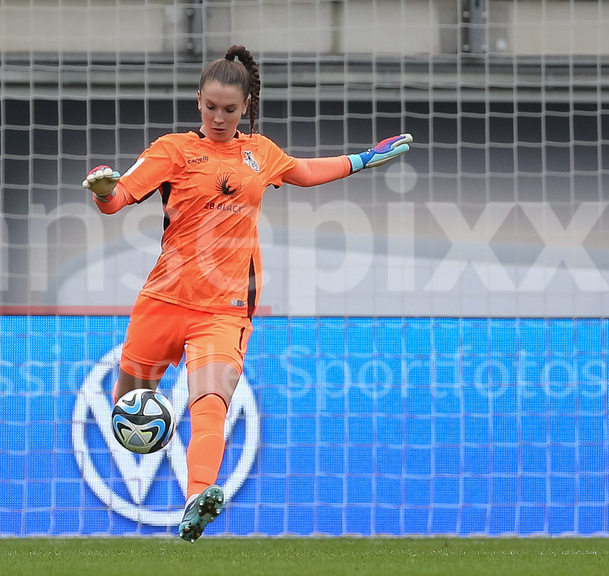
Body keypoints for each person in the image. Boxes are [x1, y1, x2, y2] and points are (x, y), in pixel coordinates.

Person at [82, 45, 412, 543]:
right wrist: (104, 190)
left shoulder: (261, 153)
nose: (219, 117)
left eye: (230, 110)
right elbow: (119, 200)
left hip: (224, 309)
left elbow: (304, 172)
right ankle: (159, 448)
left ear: (245, 108)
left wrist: (363, 159)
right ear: (198, 101)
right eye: (211, 107)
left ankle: (198, 496)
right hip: (163, 300)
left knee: (211, 398)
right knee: (126, 401)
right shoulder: (172, 150)